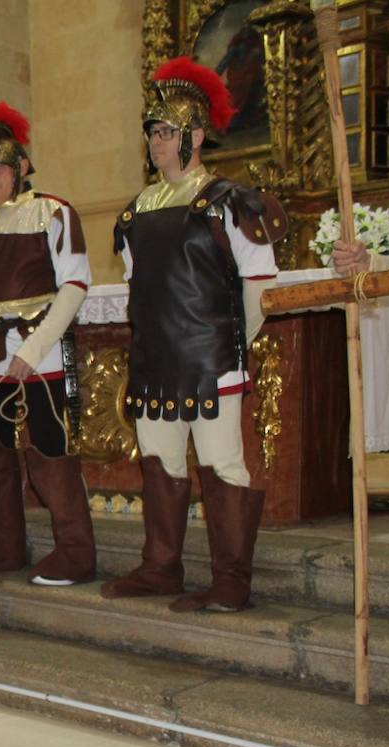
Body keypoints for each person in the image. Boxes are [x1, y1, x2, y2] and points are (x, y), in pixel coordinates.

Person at [102, 57, 285, 613]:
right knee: (159, 462)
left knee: (222, 465)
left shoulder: (229, 203)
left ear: (196, 136)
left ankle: (231, 579)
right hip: (156, 361)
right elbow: (140, 294)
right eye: (152, 133)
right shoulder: (135, 213)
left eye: (166, 133)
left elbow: (258, 290)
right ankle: (161, 567)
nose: (156, 143)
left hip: (211, 362)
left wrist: (230, 350)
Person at [0, 102, 96, 586]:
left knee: (51, 453)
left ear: (22, 169)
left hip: (42, 355)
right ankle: (7, 544)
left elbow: (74, 285)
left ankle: (75, 552)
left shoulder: (53, 212)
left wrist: (30, 354)